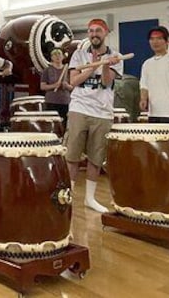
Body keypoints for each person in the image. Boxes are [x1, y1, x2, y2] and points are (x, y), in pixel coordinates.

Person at [66, 19, 123, 214]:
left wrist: (106, 65)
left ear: (105, 32)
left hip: (102, 112)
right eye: (91, 31)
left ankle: (90, 198)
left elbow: (107, 83)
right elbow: (73, 81)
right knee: (72, 155)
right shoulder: (79, 54)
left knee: (95, 158)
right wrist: (91, 66)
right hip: (79, 108)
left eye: (98, 30)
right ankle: (68, 196)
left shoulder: (115, 56)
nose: (94, 34)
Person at [40, 48, 73, 126]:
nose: (57, 56)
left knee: (63, 124)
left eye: (59, 54)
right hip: (51, 101)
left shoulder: (68, 70)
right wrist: (54, 86)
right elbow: (42, 86)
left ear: (63, 57)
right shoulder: (47, 70)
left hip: (65, 102)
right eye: (55, 54)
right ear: (51, 57)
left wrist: (67, 86)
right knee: (50, 124)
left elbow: (73, 87)